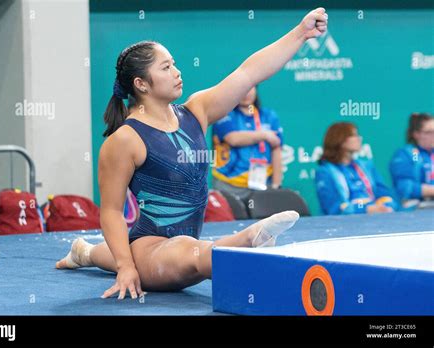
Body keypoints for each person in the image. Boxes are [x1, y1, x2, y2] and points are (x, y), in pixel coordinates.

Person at [56, 8, 329, 300]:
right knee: (195, 255)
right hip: (151, 245)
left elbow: (248, 73)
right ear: (141, 84)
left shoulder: (196, 111)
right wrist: (125, 266)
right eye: (165, 68)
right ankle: (247, 241)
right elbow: (111, 210)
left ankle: (84, 251)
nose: (177, 72)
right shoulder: (125, 139)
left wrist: (301, 33)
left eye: (174, 64)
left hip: (186, 241)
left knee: (189, 249)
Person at [212, 86, 284, 201]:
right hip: (228, 185)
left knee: (264, 218)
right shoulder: (224, 114)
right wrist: (265, 135)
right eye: (242, 89)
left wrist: (276, 185)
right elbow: (233, 139)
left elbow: (276, 148)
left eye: (250, 88)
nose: (246, 93)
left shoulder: (269, 116)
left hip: (262, 184)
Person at [315, 122, 397, 215]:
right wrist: (366, 209)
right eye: (354, 135)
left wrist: (386, 206)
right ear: (340, 140)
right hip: (345, 224)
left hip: (375, 219)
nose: (359, 139)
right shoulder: (325, 172)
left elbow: (384, 193)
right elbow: (333, 208)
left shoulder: (366, 166)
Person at [389, 113, 434, 208]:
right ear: (416, 134)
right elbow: (404, 187)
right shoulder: (412, 154)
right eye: (429, 132)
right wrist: (431, 190)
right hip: (416, 210)